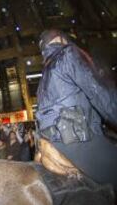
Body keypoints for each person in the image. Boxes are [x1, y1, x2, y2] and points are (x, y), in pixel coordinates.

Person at [36, 29, 117, 190]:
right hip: (77, 137)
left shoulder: (45, 75)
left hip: (53, 140)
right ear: (60, 39)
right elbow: (98, 92)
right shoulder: (68, 54)